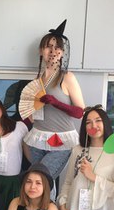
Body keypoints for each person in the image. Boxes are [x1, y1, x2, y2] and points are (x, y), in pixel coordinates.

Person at [23, 20, 85, 197]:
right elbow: (32, 112)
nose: (53, 51)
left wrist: (55, 102)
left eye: (57, 47)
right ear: (41, 51)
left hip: (61, 140)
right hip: (38, 138)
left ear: (62, 52)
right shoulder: (37, 80)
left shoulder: (67, 77)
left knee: (42, 179)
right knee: (39, 182)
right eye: (48, 47)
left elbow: (80, 112)